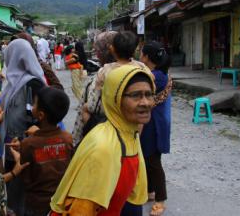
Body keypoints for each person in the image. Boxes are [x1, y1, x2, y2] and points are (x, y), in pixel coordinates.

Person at [50, 65, 155, 215]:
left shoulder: (128, 133)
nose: (146, 102)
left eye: (149, 94)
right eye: (136, 95)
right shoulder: (103, 148)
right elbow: (80, 211)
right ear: (115, 98)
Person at [1, 39, 46, 216]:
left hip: (25, 147)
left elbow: (39, 118)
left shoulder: (33, 83)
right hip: (12, 145)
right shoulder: (13, 81)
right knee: (14, 187)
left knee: (23, 191)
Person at [19, 87, 73, 216]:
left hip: (36, 203)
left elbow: (26, 178)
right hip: (61, 201)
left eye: (35, 104)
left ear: (41, 115)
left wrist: (18, 157)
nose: (32, 106)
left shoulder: (28, 143)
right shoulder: (67, 139)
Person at [140, 42, 172, 216]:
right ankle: (151, 191)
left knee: (153, 161)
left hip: (155, 125)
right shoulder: (158, 73)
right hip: (152, 123)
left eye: (141, 53)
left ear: (146, 57)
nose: (139, 55)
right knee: (146, 158)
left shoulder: (155, 77)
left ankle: (161, 199)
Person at [72, 31, 116, 146]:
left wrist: (86, 109)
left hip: (101, 140)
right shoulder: (134, 69)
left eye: (97, 50)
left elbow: (92, 108)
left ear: (108, 51)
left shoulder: (104, 74)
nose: (96, 54)